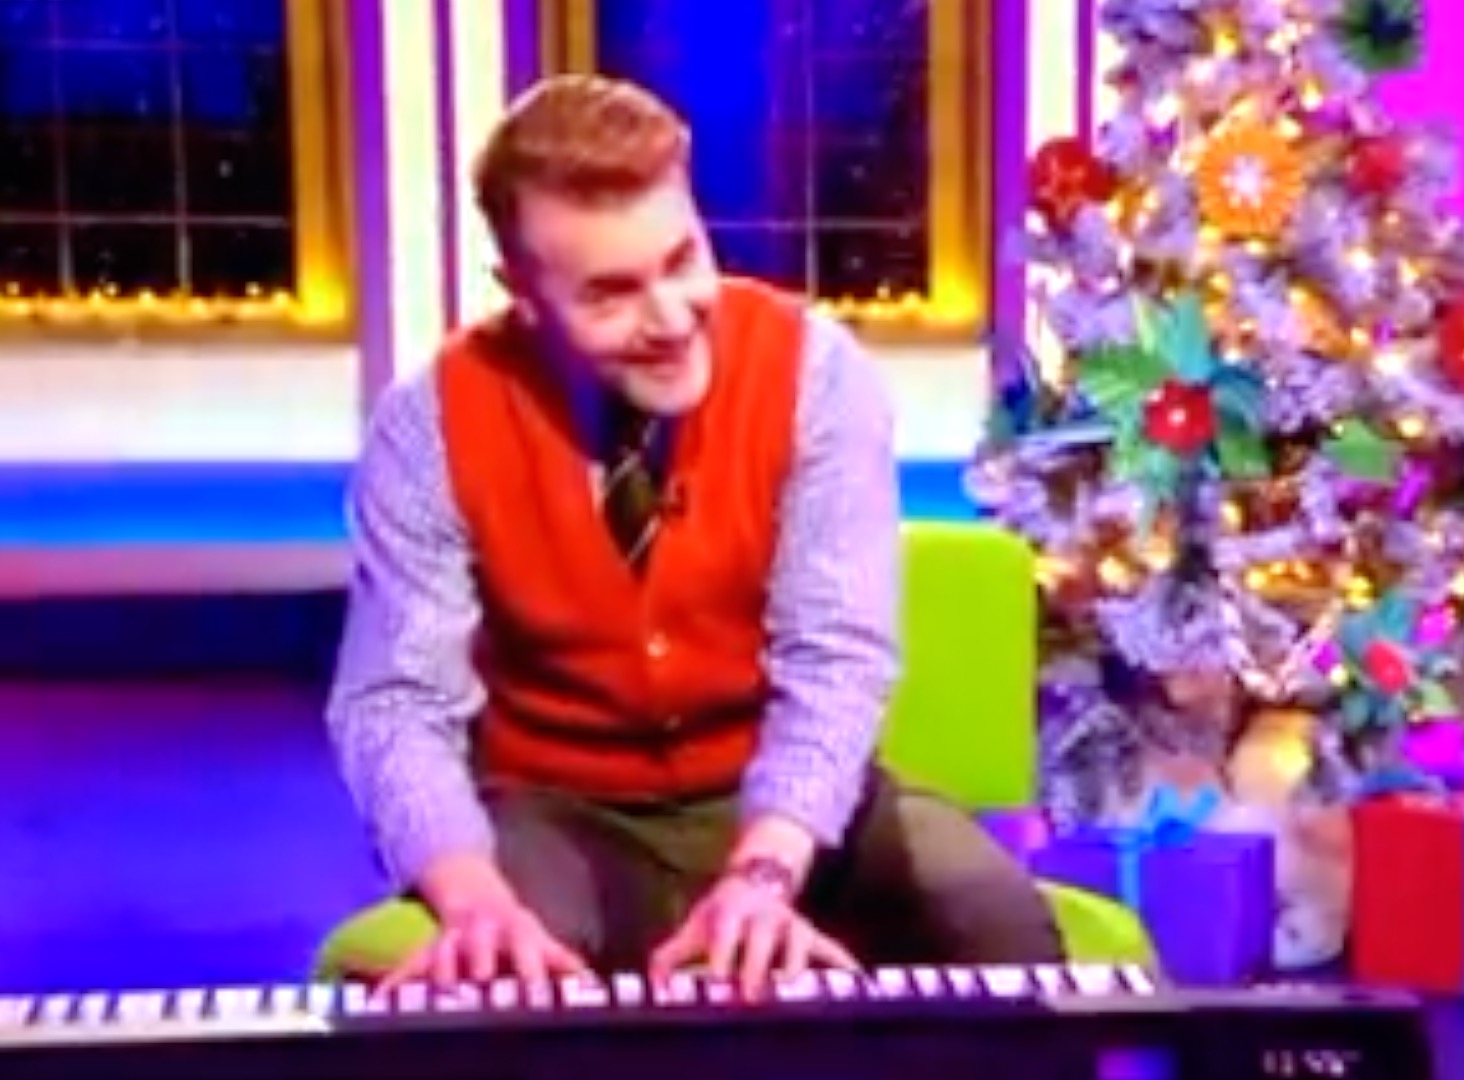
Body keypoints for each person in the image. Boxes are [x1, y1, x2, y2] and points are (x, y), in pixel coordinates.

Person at [326, 73, 1063, 996]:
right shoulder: (429, 424)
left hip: (786, 802)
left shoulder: (815, 373)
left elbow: (835, 659)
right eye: (610, 294)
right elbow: (395, 702)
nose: (672, 318)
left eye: (683, 259)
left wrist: (766, 870)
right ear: (523, 293)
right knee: (502, 977)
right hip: (559, 811)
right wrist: (471, 898)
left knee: (989, 914)